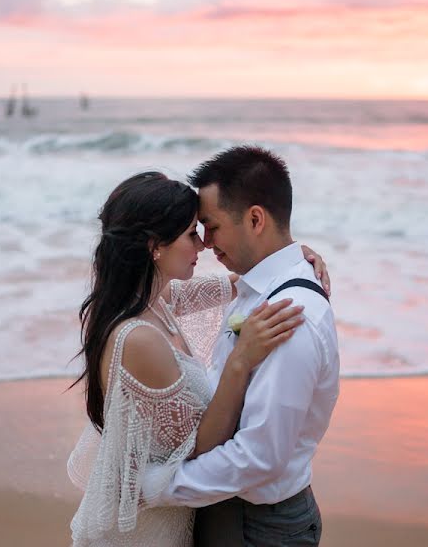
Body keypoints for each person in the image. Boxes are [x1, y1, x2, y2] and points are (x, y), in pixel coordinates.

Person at [67, 170, 330, 546]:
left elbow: (239, 283)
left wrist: (293, 259)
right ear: (154, 245)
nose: (203, 246)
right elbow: (198, 447)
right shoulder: (139, 338)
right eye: (192, 233)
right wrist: (241, 360)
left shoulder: (152, 301)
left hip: (165, 518)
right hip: (144, 534)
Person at [142, 146, 340, 546]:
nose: (206, 243)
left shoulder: (289, 316)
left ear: (255, 219)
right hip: (231, 509)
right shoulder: (256, 286)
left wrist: (154, 488)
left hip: (260, 527)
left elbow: (257, 459)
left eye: (211, 226)